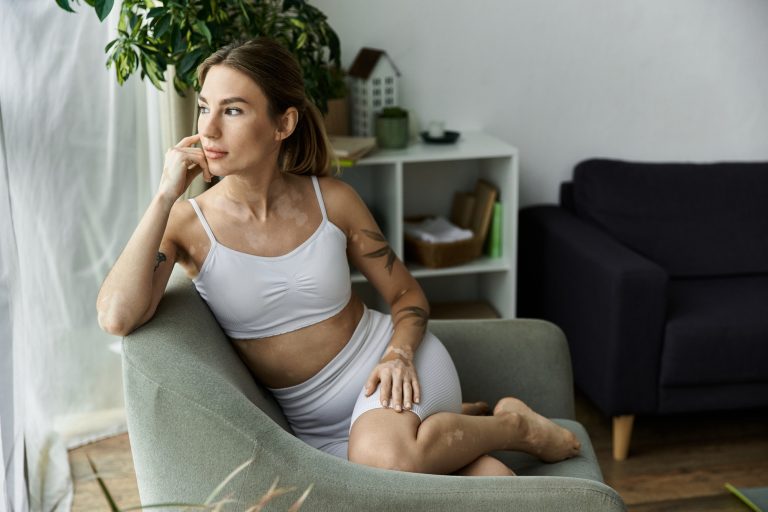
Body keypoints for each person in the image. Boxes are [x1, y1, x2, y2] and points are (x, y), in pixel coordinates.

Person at [96, 37, 580, 477]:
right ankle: (463, 429)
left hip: (394, 373)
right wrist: (164, 195)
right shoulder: (187, 223)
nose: (210, 128)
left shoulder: (334, 201)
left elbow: (408, 294)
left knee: (382, 456)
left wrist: (398, 354)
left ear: (283, 123)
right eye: (204, 108)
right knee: (494, 485)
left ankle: (516, 428)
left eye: (234, 110)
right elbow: (117, 316)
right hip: (318, 429)